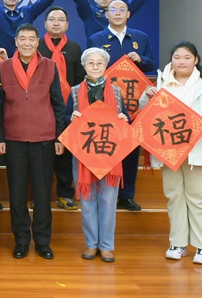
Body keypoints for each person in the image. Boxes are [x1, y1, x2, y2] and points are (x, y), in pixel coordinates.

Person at [139, 41, 202, 266]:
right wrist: (146, 96)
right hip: (168, 150)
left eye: (187, 57)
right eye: (177, 57)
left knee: (198, 197)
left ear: (196, 60)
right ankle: (178, 243)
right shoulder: (161, 81)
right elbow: (144, 110)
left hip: (197, 150)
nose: (181, 61)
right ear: (171, 60)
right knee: (174, 196)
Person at [0, 24, 66, 260]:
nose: (27, 43)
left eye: (31, 39)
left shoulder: (50, 66)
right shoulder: (4, 68)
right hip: (13, 139)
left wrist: (59, 136)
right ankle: (21, 240)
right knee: (17, 194)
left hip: (44, 139)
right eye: (22, 39)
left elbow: (58, 104)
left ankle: (43, 241)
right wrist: (0, 137)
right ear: (16, 42)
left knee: (43, 193)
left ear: (38, 43)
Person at [87, 0, 156, 212]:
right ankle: (104, 193)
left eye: (122, 10)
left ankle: (127, 195)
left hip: (134, 103)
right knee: (105, 146)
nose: (117, 13)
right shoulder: (96, 38)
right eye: (113, 10)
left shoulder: (140, 38)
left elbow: (152, 64)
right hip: (105, 101)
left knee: (131, 148)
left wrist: (141, 59)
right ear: (106, 14)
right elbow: (89, 68)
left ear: (128, 14)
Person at [66, 47, 128, 264]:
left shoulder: (116, 91)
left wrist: (124, 118)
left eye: (99, 63)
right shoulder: (74, 91)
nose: (95, 66)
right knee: (87, 199)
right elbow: (65, 117)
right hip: (83, 153)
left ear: (105, 66)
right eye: (90, 63)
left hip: (109, 153)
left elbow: (125, 118)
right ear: (84, 66)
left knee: (109, 200)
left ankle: (107, 246)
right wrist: (70, 118)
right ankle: (91, 244)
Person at [37, 6, 87, 211]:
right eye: (52, 19)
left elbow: (80, 80)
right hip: (40, 108)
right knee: (41, 155)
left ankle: (65, 194)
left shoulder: (75, 48)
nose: (56, 23)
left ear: (67, 25)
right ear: (45, 24)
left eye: (61, 20)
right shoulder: (36, 46)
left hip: (67, 110)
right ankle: (39, 196)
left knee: (65, 152)